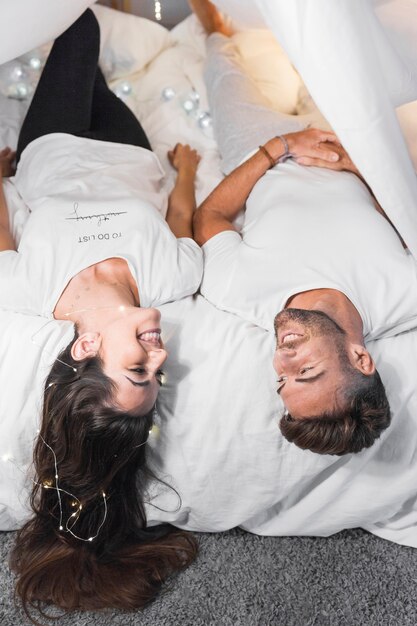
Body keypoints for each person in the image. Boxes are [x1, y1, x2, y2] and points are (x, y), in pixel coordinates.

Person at [1, 10, 200, 620]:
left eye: (141, 369)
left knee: (78, 25)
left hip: (52, 148)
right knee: (97, 81)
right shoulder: (175, 280)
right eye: (159, 377)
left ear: (86, 349)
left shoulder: (23, 292)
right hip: (129, 153)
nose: (161, 355)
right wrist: (186, 172)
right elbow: (181, 225)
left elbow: (3, 229)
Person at [191, 0, 417, 456]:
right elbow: (401, 214)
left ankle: (213, 28)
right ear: (360, 357)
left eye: (282, 379)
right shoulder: (404, 293)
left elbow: (208, 218)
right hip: (348, 150)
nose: (281, 359)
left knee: (226, 74)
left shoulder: (242, 294)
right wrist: (356, 165)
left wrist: (277, 148)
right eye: (306, 371)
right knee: (341, 54)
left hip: (261, 154)